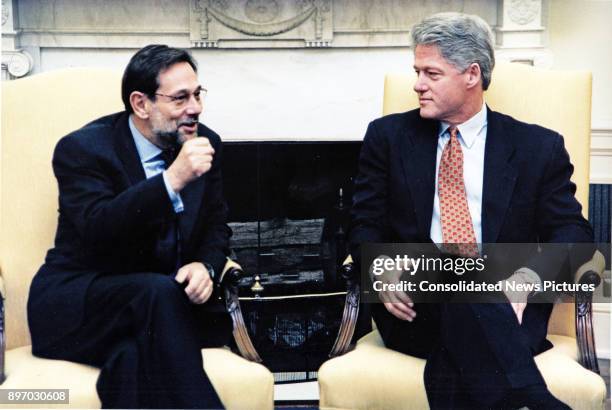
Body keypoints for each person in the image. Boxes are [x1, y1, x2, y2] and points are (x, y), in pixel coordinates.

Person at [349, 12, 594, 410]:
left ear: (471, 74)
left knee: (461, 347)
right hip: (414, 306)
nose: (418, 85)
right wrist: (380, 268)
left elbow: (573, 233)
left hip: (508, 306)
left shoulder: (537, 147)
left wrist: (527, 278)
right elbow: (364, 223)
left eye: (431, 73)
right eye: (417, 72)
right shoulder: (388, 137)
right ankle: (532, 399)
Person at [27, 45, 233, 409]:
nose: (196, 108)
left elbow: (217, 227)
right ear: (140, 104)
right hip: (81, 305)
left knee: (131, 361)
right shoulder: (84, 149)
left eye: (198, 94)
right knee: (156, 292)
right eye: (180, 98)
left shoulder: (205, 144)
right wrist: (171, 181)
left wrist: (206, 266)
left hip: (155, 315)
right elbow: (97, 229)